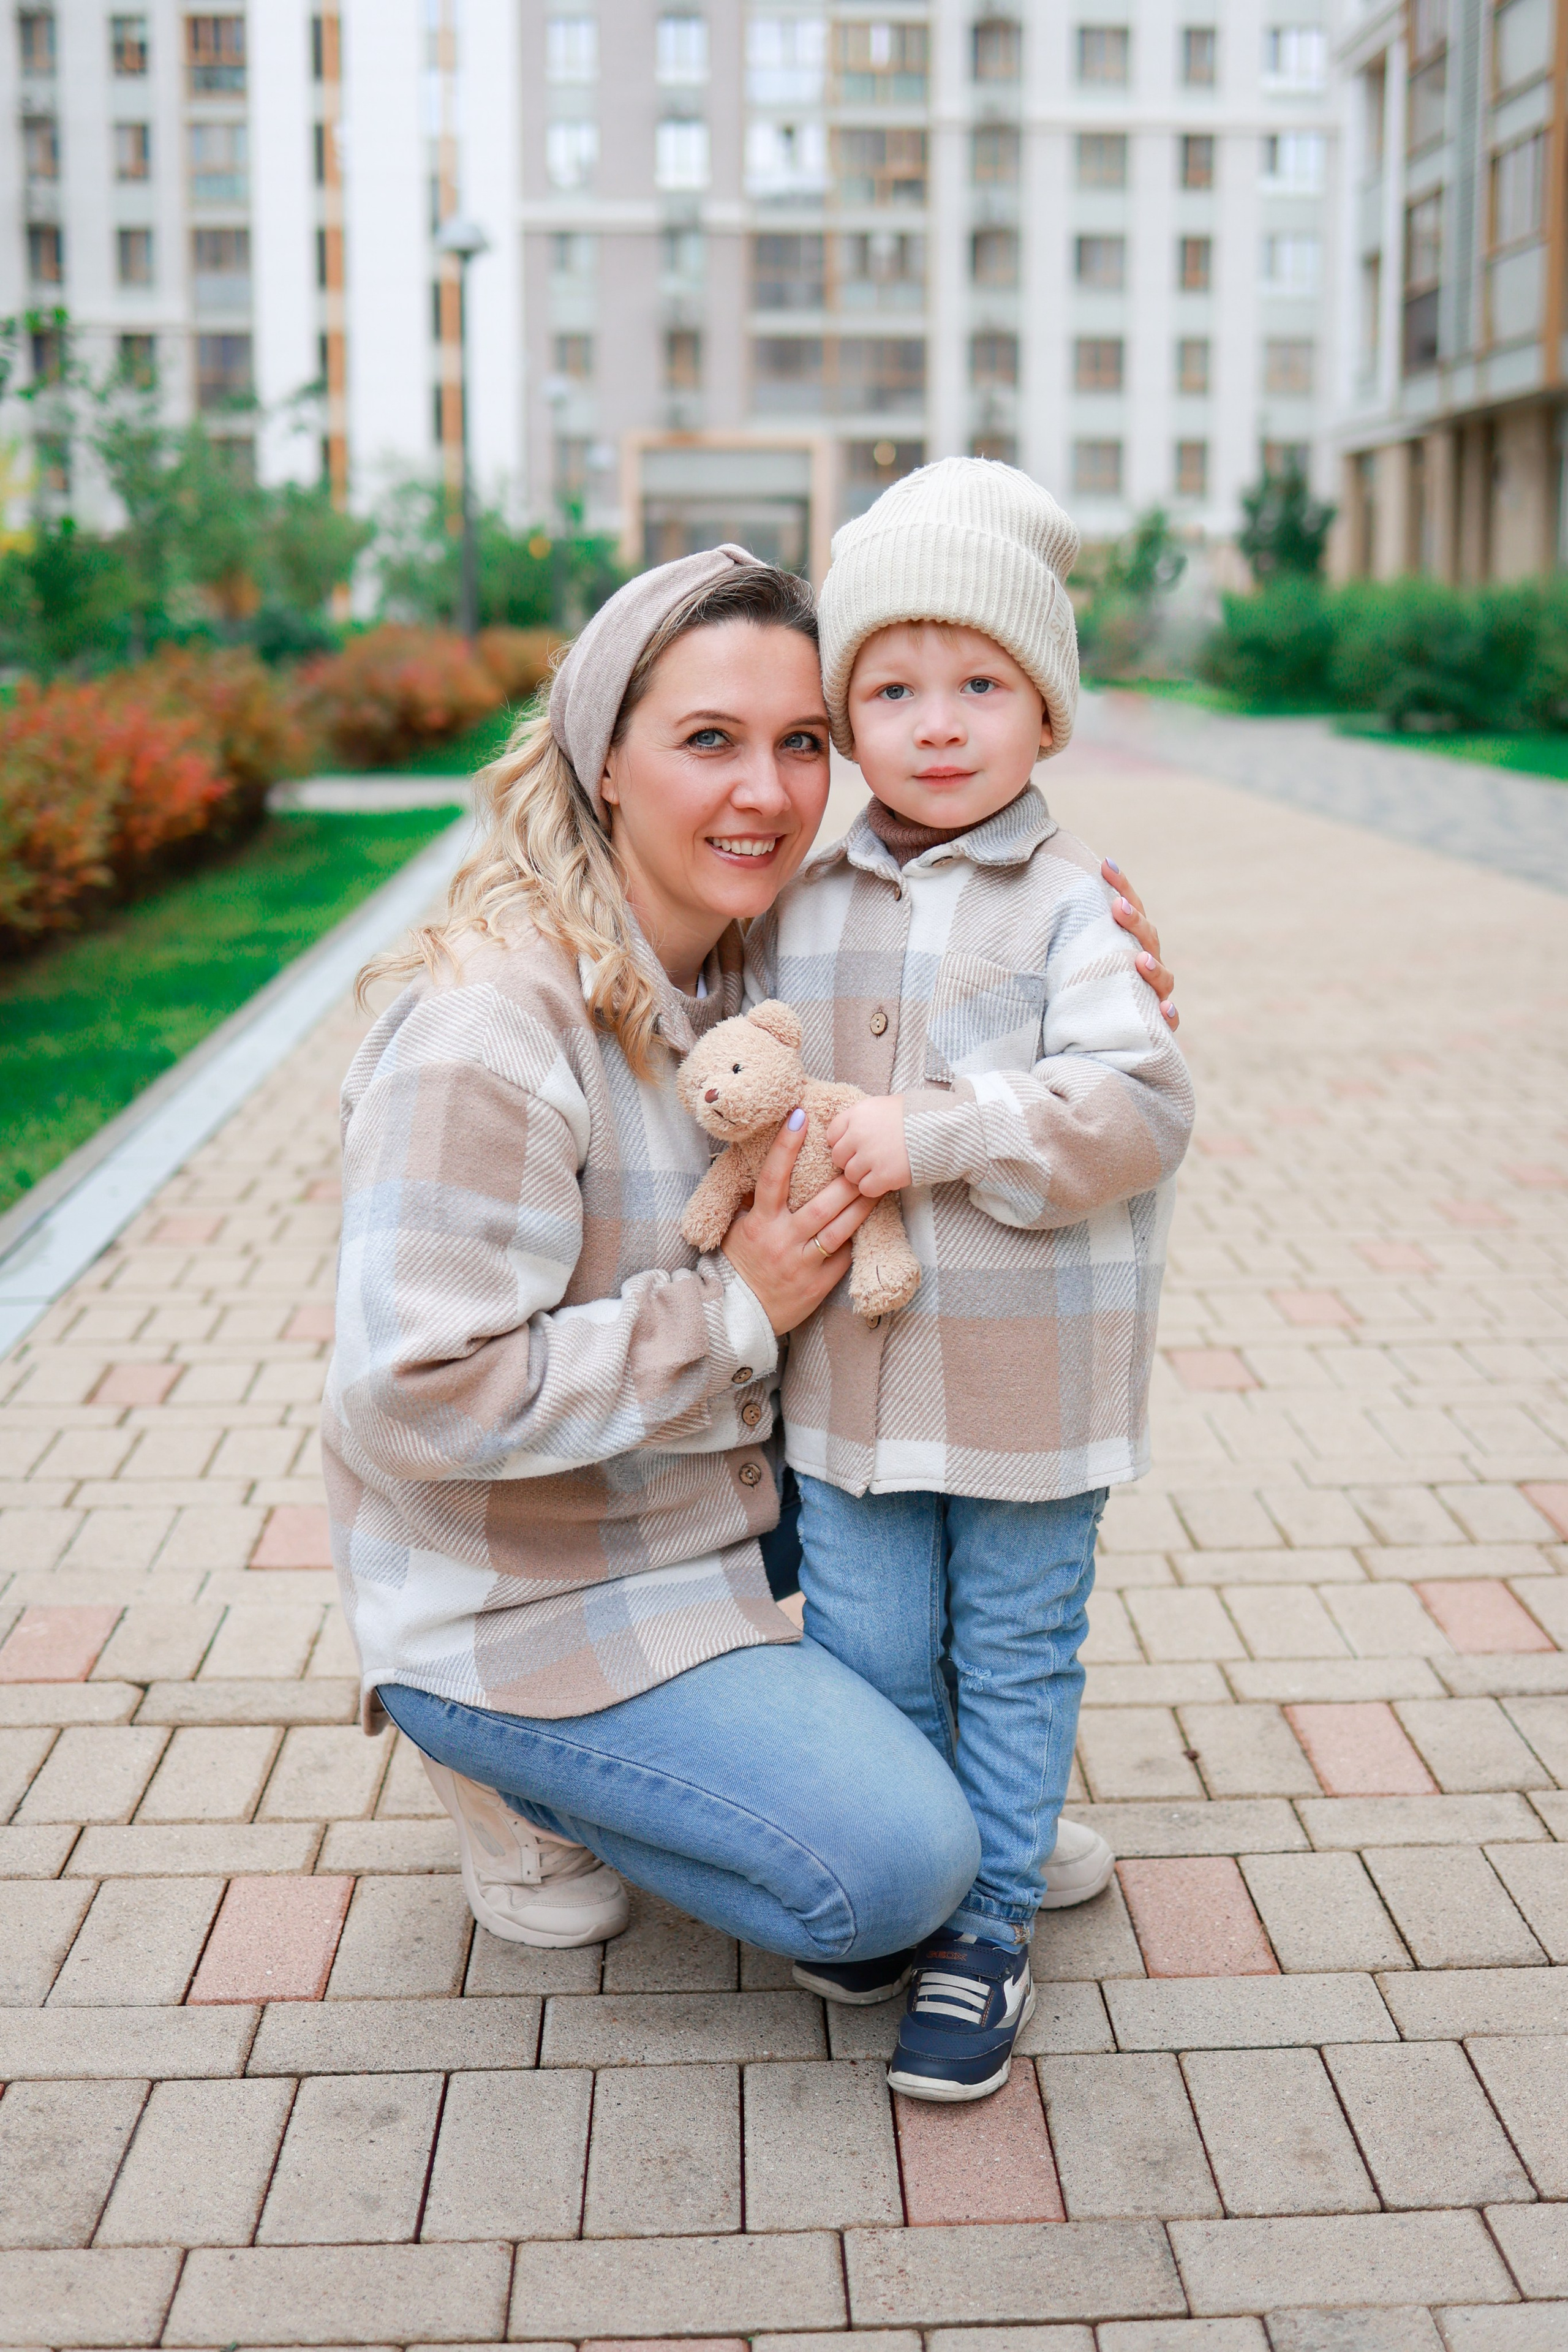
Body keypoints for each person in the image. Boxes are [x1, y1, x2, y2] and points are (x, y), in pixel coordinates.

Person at [323, 542, 1178, 1970]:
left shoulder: (752, 958)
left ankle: (961, 1801)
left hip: (700, 1506)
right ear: (604, 758)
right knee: (889, 1882)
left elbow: (992, 1009)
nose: (767, 793)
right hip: (528, 1590)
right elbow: (410, 1397)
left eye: (800, 744)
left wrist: (1089, 981)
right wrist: (735, 1307)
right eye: (707, 740)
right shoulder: (490, 1031)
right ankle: (513, 1771)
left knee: (940, 1517)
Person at [746, 459, 1195, 2100]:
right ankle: (909, 1874)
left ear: (1048, 712)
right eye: (894, 687)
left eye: (982, 683)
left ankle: (987, 1920)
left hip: (1025, 1389)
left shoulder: (1076, 907)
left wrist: (929, 1135)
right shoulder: (797, 904)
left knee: (1013, 1652)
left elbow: (1138, 1107)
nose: (939, 723)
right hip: (852, 1395)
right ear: (848, 720)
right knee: (866, 1655)